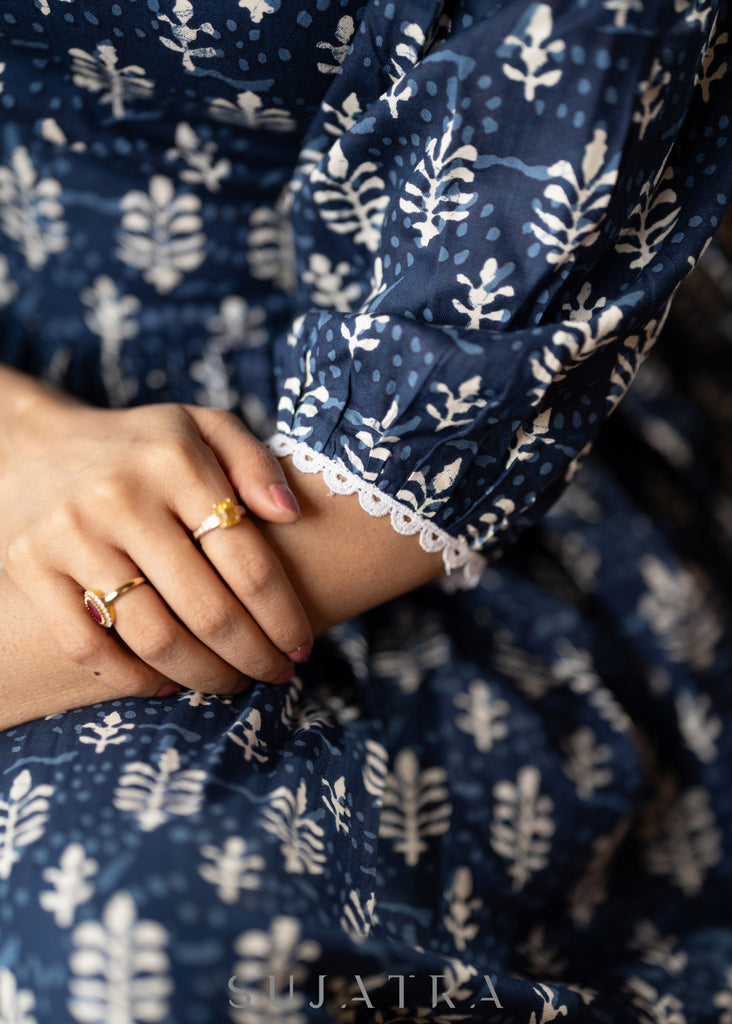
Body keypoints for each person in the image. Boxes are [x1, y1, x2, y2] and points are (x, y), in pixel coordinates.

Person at [0, 0, 730, 1020]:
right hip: (30, 424)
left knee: (120, 955)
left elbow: (406, 466)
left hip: (425, 523)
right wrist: (26, 435)